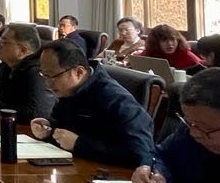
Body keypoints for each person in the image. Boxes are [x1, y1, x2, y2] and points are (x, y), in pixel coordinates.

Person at [31, 40, 155, 168]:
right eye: (44, 75)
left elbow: (140, 154)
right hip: (76, 166)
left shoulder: (117, 100)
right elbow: (63, 125)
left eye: (52, 76)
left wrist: (79, 144)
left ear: (79, 72)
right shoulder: (69, 89)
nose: (47, 83)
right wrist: (48, 128)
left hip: (110, 173)